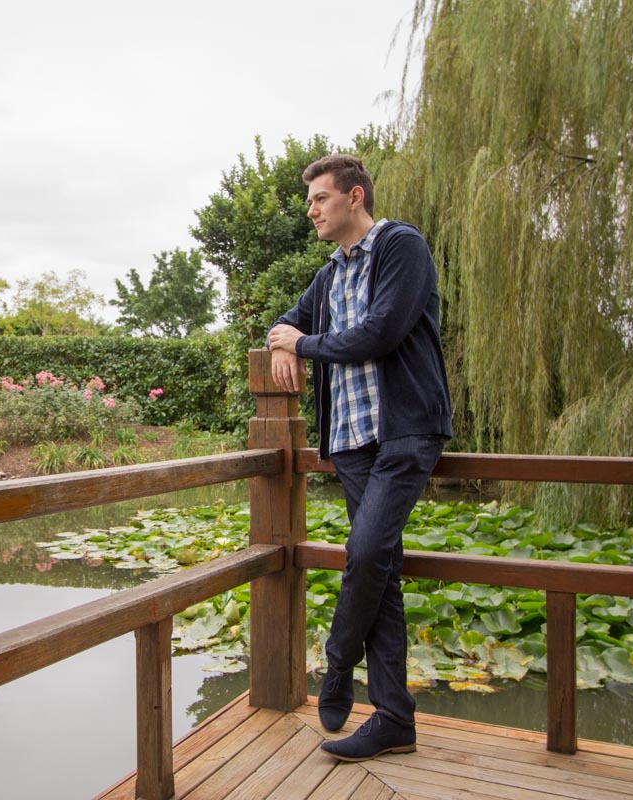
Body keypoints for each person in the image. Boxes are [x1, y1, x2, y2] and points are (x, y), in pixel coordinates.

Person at [267, 153, 452, 762]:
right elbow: (289, 322)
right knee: (383, 574)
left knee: (367, 552)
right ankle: (395, 718)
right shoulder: (330, 273)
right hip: (349, 440)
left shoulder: (401, 247)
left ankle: (338, 661)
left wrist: (306, 344)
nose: (311, 211)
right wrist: (282, 341)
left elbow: (381, 332)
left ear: (353, 196)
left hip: (403, 432)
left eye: (319, 199)